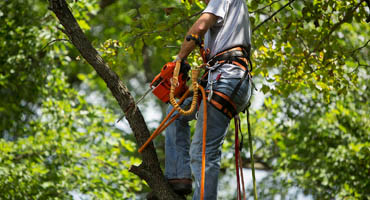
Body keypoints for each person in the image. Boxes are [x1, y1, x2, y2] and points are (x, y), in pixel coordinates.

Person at [165, 0, 252, 199]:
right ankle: (178, 178)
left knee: (204, 152)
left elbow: (201, 26)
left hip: (227, 79)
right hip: (222, 78)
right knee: (175, 115)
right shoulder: (233, 14)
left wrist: (179, 59)